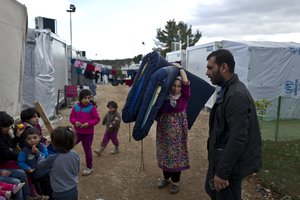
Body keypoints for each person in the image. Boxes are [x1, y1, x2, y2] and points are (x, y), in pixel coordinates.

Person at [204, 49, 262, 200]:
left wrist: (222, 173)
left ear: (224, 67)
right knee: (212, 191)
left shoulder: (236, 95)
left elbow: (237, 138)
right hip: (221, 159)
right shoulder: (227, 89)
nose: (207, 72)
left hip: (230, 169)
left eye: (210, 68)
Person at [155, 63, 190, 194]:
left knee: (176, 155)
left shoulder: (184, 98)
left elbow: (186, 82)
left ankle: (175, 182)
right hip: (163, 130)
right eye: (174, 86)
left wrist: (180, 69)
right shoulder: (163, 98)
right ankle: (166, 178)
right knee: (164, 153)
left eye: (179, 86)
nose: (176, 88)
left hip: (178, 133)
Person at [37, 126, 80, 200]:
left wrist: (40, 155)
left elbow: (41, 166)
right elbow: (77, 170)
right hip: (73, 189)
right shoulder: (74, 154)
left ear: (53, 144)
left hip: (60, 193)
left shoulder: (52, 158)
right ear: (73, 141)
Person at [69, 89, 100, 176]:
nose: (87, 100)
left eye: (88, 98)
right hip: (77, 132)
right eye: (85, 98)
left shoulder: (92, 108)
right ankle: (68, 164)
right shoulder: (75, 107)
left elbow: (97, 119)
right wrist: (75, 122)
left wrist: (88, 124)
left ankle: (89, 167)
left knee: (87, 150)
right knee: (69, 146)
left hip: (88, 134)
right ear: (80, 99)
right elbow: (71, 118)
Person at [17, 127, 51, 199]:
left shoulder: (42, 146)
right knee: (41, 193)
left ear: (39, 137)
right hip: (35, 177)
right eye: (29, 139)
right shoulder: (24, 152)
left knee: (50, 191)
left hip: (46, 174)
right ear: (26, 140)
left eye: (35, 138)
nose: (32, 140)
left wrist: (37, 152)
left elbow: (46, 156)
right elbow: (20, 162)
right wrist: (27, 168)